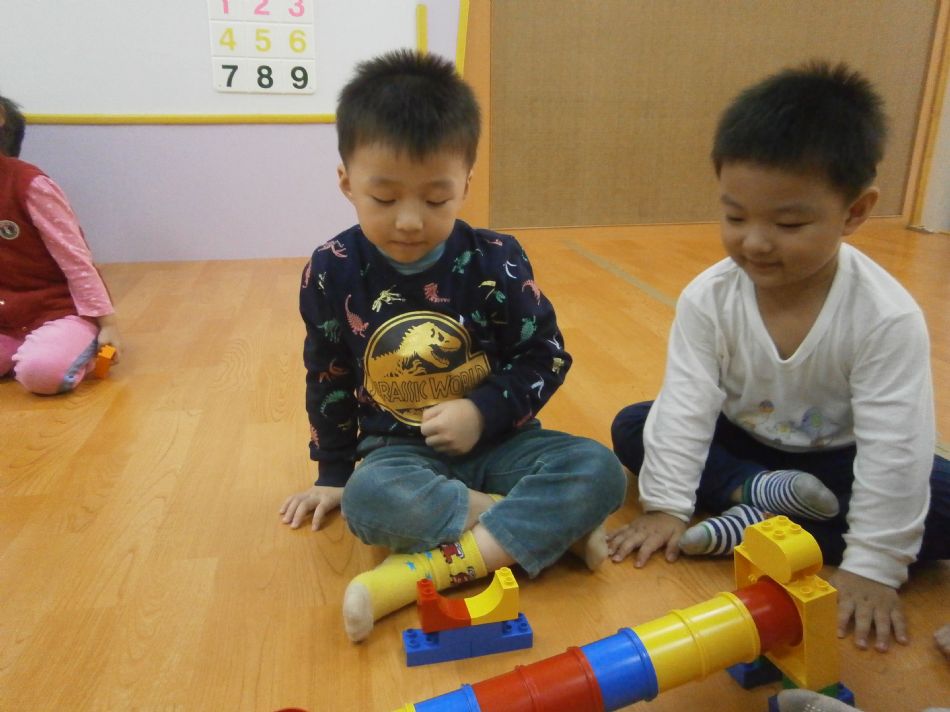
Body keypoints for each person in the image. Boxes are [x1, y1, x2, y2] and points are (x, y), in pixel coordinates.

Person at [279, 50, 626, 642]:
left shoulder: (497, 258)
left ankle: (469, 551)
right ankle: (541, 527)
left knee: (601, 470)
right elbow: (329, 373)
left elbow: (545, 354)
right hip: (398, 453)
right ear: (347, 182)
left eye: (436, 199)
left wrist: (482, 411)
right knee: (367, 499)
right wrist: (333, 473)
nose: (410, 221)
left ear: (465, 182)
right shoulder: (331, 269)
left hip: (504, 441)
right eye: (384, 199)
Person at [608, 62, 949, 653]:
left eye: (789, 223)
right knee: (637, 424)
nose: (755, 241)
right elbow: (687, 405)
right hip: (743, 447)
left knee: (937, 495)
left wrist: (874, 566)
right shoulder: (708, 298)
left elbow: (895, 446)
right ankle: (756, 493)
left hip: (839, 460)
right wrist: (666, 508)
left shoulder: (885, 317)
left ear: (855, 212)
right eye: (735, 217)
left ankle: (749, 520)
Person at [0, 94, 121, 394]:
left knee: (41, 373)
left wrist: (107, 323)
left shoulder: (30, 185)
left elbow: (76, 260)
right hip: (6, 318)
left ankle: (67, 348)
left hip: (57, 311)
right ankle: (23, 352)